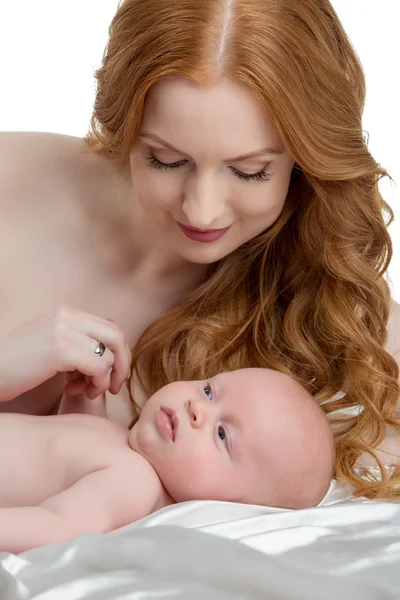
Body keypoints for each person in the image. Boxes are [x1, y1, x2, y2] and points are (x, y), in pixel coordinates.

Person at [0, 0, 399, 501]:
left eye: (251, 171)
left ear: (303, 158)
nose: (202, 212)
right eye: (166, 160)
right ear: (124, 126)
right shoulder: (10, 183)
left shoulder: (317, 299)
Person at [0, 318, 335, 554]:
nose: (196, 408)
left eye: (222, 434)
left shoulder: (134, 483)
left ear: (228, 509)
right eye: (209, 390)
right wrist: (85, 396)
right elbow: (63, 462)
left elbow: (56, 526)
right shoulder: (127, 453)